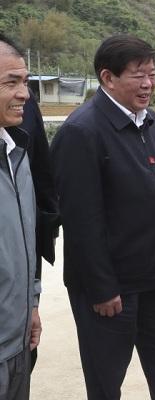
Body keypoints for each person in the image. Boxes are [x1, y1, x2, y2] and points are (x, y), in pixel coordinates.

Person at [50, 34, 155, 400]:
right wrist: (102, 287)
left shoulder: (152, 123)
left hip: (153, 278)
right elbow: (80, 220)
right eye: (138, 75)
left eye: (152, 74)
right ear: (107, 78)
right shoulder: (82, 132)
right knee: (106, 376)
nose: (148, 84)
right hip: (111, 289)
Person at [0, 34, 40, 400]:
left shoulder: (17, 155)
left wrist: (32, 304)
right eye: (11, 83)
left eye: (25, 82)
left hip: (17, 343)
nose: (25, 94)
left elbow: (24, 242)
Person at [20, 96, 60, 372]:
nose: (21, 91)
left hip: (22, 249)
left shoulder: (23, 102)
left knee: (22, 354)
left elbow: (41, 173)